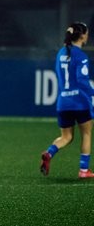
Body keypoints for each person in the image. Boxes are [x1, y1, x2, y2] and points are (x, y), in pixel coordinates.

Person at [40, 22, 94, 179]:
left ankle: (49, 153)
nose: (88, 35)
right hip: (80, 102)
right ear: (82, 36)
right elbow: (82, 81)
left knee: (66, 137)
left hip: (63, 101)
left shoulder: (60, 53)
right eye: (87, 33)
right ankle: (84, 170)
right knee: (86, 133)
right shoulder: (81, 56)